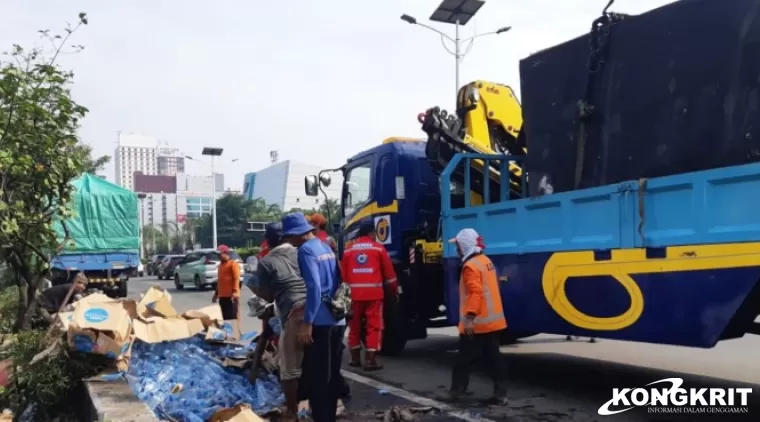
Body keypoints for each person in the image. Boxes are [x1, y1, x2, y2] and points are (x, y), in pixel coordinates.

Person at [282, 212, 343, 422]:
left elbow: (314, 286)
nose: (288, 242)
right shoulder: (324, 246)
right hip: (337, 318)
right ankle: (330, 416)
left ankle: (322, 418)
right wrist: (305, 307)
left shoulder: (305, 251)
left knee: (319, 378)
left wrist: (308, 321)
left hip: (321, 322)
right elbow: (333, 283)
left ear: (296, 235)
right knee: (332, 374)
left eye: (289, 237)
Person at [440, 228, 508, 406]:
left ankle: (456, 391)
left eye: (458, 246)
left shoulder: (470, 267)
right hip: (492, 321)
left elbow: (475, 293)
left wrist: (469, 318)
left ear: (465, 246)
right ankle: (501, 394)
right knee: (494, 358)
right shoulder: (486, 261)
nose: (457, 250)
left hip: (478, 323)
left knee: (463, 360)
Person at [251, 222, 309, 421]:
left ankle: (291, 411)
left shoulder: (266, 262)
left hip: (294, 314)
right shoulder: (304, 251)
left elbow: (266, 296)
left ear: (268, 241)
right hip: (318, 308)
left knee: (289, 367)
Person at [341, 220, 398, 370]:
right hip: (374, 294)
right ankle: (370, 360)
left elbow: (344, 277)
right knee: (374, 326)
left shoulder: (348, 250)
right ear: (371, 233)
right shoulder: (378, 249)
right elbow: (389, 274)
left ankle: (355, 359)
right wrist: (395, 290)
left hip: (353, 295)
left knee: (354, 325)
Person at [212, 244, 241, 320]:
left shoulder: (233, 264)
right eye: (218, 254)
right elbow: (220, 281)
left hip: (231, 297)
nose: (218, 256)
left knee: (232, 319)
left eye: (220, 254)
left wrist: (235, 292)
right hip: (222, 297)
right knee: (224, 319)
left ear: (225, 253)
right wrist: (216, 294)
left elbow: (236, 279)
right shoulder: (220, 266)